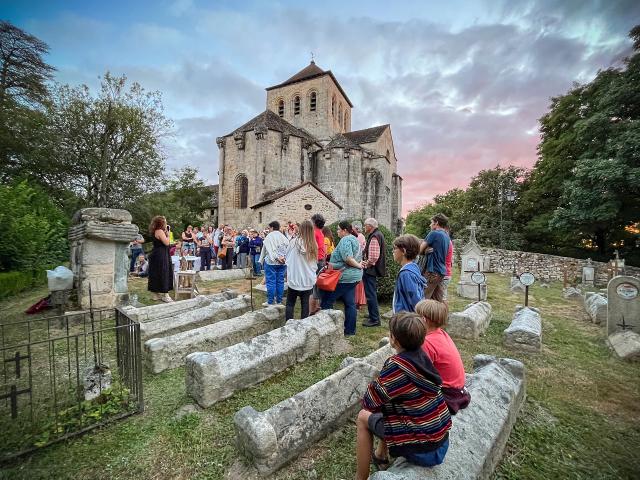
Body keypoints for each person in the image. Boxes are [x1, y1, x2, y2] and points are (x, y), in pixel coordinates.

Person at [355, 312, 452, 479]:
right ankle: (381, 455)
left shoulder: (397, 367)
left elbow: (370, 401)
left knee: (363, 417)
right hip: (440, 441)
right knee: (392, 405)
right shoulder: (422, 358)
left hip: (424, 449)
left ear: (394, 339)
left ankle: (360, 477)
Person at [416, 299, 470, 415]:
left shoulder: (426, 342)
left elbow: (421, 374)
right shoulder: (440, 333)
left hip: (447, 393)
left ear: (423, 319)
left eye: (416, 316)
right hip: (458, 389)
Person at [320, 221, 363, 336]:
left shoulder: (345, 240)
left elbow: (348, 258)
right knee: (350, 303)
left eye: (339, 229)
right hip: (353, 277)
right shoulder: (355, 239)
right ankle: (350, 331)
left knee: (326, 301)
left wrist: (358, 266)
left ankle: (326, 330)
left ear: (344, 230)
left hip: (344, 277)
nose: (337, 231)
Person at [284, 220, 318, 320]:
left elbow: (287, 257)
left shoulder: (294, 242)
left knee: (290, 303)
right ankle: (303, 326)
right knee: (305, 304)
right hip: (307, 278)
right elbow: (314, 262)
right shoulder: (313, 244)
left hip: (295, 277)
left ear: (301, 229)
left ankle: (289, 324)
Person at [361, 218, 387, 327]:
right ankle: (373, 314)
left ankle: (375, 319)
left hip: (371, 270)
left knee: (370, 295)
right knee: (371, 294)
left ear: (370, 226)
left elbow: (373, 257)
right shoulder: (377, 234)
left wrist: (365, 265)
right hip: (372, 269)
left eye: (365, 225)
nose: (364, 227)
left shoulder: (375, 236)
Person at [419, 213, 449, 302]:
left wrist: (424, 250)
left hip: (432, 271)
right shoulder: (446, 236)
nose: (430, 225)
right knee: (436, 300)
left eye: (431, 222)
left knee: (422, 298)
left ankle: (419, 316)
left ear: (436, 223)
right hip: (441, 271)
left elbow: (419, 250)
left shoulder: (434, 233)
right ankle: (440, 316)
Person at [392, 234, 426, 313]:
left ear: (403, 251)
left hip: (406, 318)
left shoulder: (406, 273)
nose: (393, 251)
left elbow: (415, 299)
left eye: (395, 248)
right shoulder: (413, 266)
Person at [259, 221, 289, 305]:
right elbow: (287, 247)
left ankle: (270, 301)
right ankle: (279, 301)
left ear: (272, 227)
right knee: (280, 281)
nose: (268, 230)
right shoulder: (283, 237)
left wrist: (261, 259)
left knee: (271, 281)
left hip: (271, 262)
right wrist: (283, 258)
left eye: (269, 228)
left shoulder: (269, 236)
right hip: (282, 262)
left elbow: (266, 248)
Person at [147, 215, 174, 303]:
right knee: (163, 272)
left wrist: (166, 231)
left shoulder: (156, 231)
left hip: (157, 253)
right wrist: (169, 233)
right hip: (161, 255)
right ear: (161, 223)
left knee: (156, 272)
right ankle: (165, 295)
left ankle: (156, 294)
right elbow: (166, 242)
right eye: (165, 222)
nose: (166, 223)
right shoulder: (159, 231)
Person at [310, 214, 327, 314]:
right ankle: (316, 306)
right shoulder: (320, 232)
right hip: (321, 260)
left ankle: (312, 310)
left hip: (316, 260)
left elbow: (314, 248)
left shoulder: (314, 232)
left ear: (315, 223)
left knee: (313, 286)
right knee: (317, 285)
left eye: (311, 221)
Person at [352, 221, 368, 311]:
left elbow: (357, 250)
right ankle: (359, 302)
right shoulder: (361, 236)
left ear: (356, 228)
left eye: (353, 227)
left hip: (357, 260)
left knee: (357, 282)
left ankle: (357, 302)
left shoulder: (359, 236)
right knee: (359, 282)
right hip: (359, 260)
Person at [442, 227, 453, 302]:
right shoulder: (449, 242)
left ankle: (443, 312)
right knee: (443, 296)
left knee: (442, 298)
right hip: (447, 272)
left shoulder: (446, 243)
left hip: (444, 273)